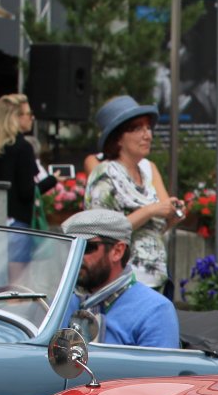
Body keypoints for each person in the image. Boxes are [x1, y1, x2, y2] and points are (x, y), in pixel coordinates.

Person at [84, 95, 183, 295]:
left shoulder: (146, 172)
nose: (147, 135)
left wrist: (172, 216)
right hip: (123, 283)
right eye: (138, 129)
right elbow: (100, 232)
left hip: (157, 280)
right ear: (118, 138)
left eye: (148, 128)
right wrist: (151, 210)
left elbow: (153, 230)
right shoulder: (105, 174)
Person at [61, 209, 179, 348]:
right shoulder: (62, 303)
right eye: (72, 248)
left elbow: (160, 363)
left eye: (87, 247)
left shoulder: (155, 310)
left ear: (117, 251)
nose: (76, 256)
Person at [0, 93, 55, 230]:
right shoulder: (23, 147)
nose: (32, 118)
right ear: (15, 117)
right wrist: (52, 180)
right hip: (17, 224)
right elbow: (27, 192)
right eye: (29, 114)